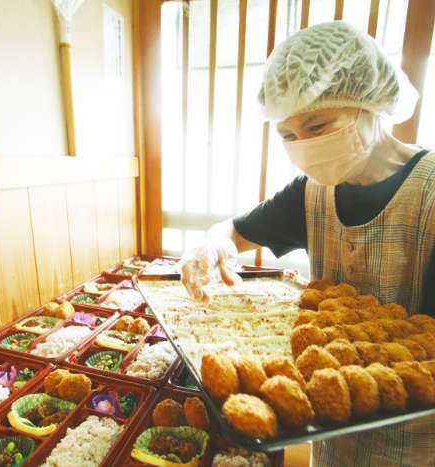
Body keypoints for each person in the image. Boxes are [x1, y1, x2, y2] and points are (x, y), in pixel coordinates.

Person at [180, 21, 434, 467]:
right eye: (289, 136)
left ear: (369, 104)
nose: (305, 147)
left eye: (318, 125)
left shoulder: (429, 194)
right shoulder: (311, 190)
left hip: (416, 442)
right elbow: (232, 231)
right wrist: (213, 243)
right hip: (329, 431)